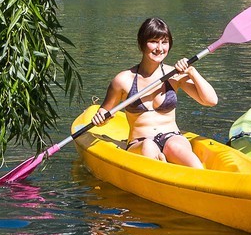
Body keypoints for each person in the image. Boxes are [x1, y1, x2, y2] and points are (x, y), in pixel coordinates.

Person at [93, 17, 217, 167]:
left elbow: (210, 101)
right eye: (153, 41)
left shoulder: (175, 74)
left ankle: (199, 177)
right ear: (142, 44)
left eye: (164, 42)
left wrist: (191, 72)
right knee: (148, 146)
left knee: (175, 146)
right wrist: (101, 118)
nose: (159, 48)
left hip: (172, 137)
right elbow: (104, 115)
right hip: (139, 143)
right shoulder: (123, 80)